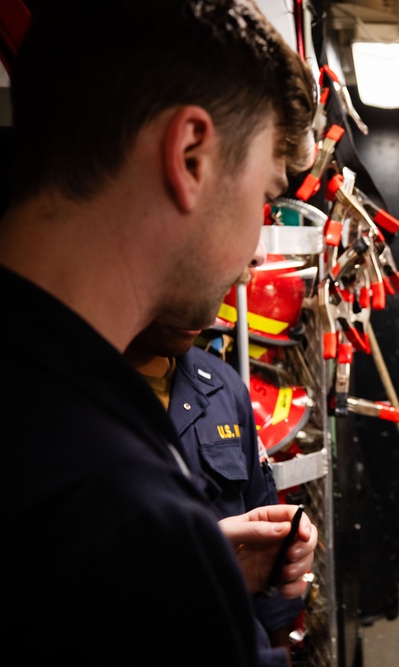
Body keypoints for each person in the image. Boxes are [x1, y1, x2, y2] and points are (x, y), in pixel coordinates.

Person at [0, 1, 318, 663]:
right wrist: (183, 575)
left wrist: (202, 569)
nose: (252, 251)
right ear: (189, 157)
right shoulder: (121, 511)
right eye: (264, 198)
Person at [124, 271, 307, 665]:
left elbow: (259, 507)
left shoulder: (223, 386)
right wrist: (197, 559)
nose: (203, 311)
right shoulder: (75, 399)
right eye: (180, 276)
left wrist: (280, 639)